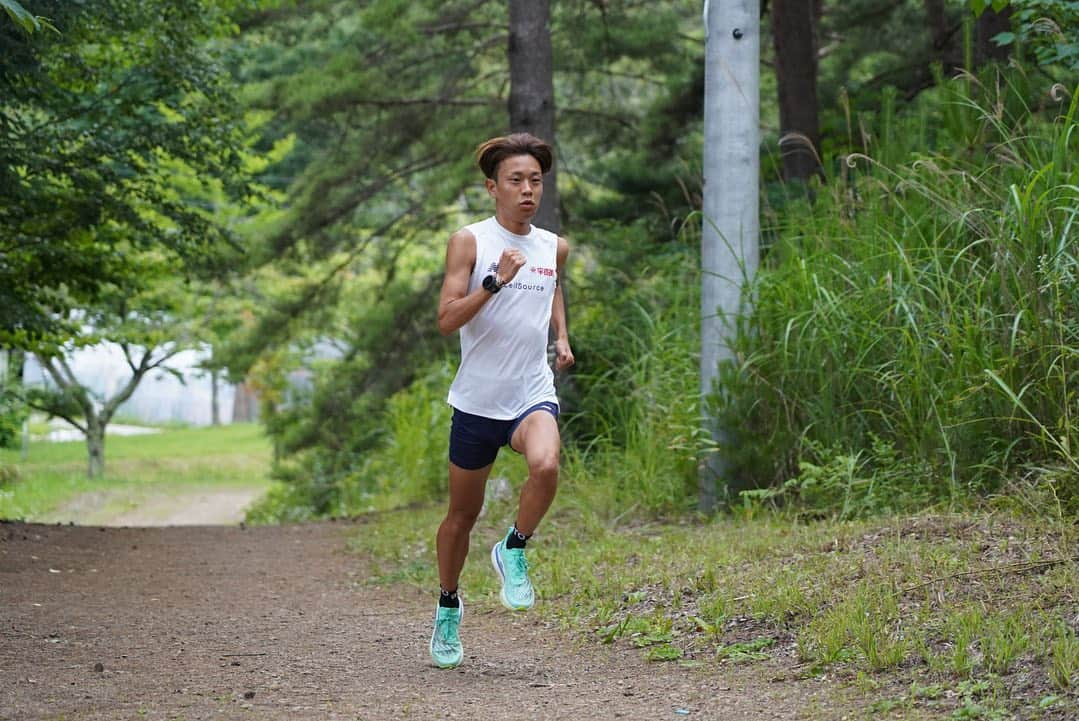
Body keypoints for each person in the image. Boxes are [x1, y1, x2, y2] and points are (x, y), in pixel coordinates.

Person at [429, 133, 575, 669]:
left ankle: (514, 547)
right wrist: (494, 282)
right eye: (516, 180)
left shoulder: (553, 244)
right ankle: (448, 605)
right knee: (461, 517)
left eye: (535, 180)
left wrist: (561, 335)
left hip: (530, 392)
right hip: (475, 403)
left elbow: (552, 283)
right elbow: (446, 320)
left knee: (547, 464)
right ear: (493, 187)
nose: (527, 190)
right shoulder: (469, 242)